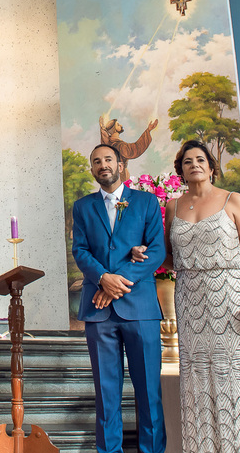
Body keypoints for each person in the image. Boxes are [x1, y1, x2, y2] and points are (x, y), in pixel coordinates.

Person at [163, 140, 240, 452]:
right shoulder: (173, 206)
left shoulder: (233, 200)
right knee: (197, 380)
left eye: (200, 159)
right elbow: (169, 257)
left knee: (238, 379)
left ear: (211, 167)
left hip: (231, 298)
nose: (194, 164)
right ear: (180, 170)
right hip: (190, 303)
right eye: (187, 161)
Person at [71, 143, 166, 453]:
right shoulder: (83, 207)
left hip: (140, 308)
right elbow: (81, 251)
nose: (103, 165)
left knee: (149, 392)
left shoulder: (147, 202)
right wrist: (102, 278)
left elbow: (156, 251)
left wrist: (116, 282)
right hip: (99, 314)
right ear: (92, 169)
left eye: (108, 159)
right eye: (96, 161)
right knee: (106, 393)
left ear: (121, 165)